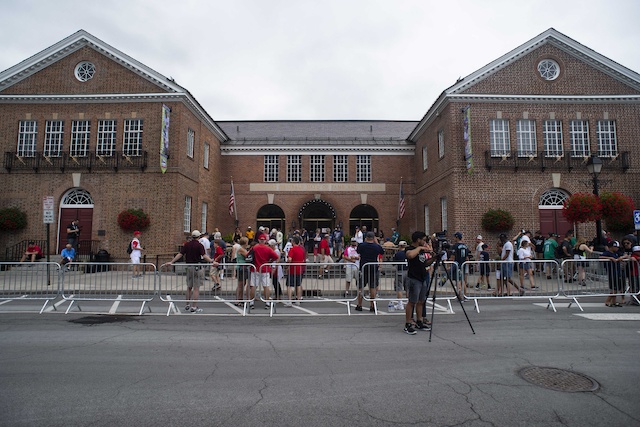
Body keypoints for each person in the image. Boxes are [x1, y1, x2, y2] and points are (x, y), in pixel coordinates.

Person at [170, 230, 216, 313]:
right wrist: (212, 261)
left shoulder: (187, 245)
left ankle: (187, 304)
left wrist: (172, 262)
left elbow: (180, 254)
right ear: (199, 237)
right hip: (197, 267)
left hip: (189, 267)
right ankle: (194, 306)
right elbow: (204, 256)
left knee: (189, 287)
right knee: (196, 288)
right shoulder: (199, 245)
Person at [403, 231, 438, 335]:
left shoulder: (422, 251)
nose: (424, 242)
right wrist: (420, 248)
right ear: (418, 240)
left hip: (423, 277)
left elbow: (424, 263)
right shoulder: (410, 249)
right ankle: (408, 323)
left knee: (421, 301)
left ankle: (420, 320)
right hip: (414, 278)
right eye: (423, 240)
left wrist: (433, 258)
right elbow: (410, 256)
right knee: (412, 301)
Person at [355, 231, 384, 312]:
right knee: (373, 287)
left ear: (366, 237)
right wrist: (376, 242)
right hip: (373, 268)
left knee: (361, 287)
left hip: (363, 267)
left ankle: (359, 304)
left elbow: (358, 251)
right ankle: (372, 305)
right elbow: (382, 251)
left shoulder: (362, 245)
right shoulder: (376, 247)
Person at [250, 233, 280, 309]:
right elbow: (276, 257)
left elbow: (248, 255)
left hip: (255, 268)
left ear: (259, 240)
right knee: (266, 286)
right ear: (265, 240)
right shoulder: (268, 249)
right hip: (265, 269)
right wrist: (270, 261)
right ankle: (267, 302)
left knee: (253, 286)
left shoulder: (254, 248)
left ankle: (251, 302)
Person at [600, 241, 627, 307]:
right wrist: (610, 258)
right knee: (614, 288)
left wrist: (622, 258)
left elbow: (625, 255)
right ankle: (607, 301)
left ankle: (614, 302)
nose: (617, 248)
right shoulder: (607, 253)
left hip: (617, 271)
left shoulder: (616, 253)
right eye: (616, 247)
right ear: (612, 247)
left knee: (617, 287)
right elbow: (601, 257)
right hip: (612, 272)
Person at [285, 236, 306, 306]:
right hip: (299, 268)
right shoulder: (301, 250)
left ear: (293, 242)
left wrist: (287, 265)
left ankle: (289, 300)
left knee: (289, 285)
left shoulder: (292, 249)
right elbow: (303, 260)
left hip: (292, 269)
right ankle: (298, 299)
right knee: (298, 285)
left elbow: (290, 259)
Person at [450, 232, 470, 298]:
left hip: (457, 264)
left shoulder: (455, 246)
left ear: (457, 237)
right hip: (463, 264)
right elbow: (467, 257)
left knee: (458, 280)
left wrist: (449, 264)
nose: (454, 238)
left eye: (454, 237)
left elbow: (452, 256)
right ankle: (465, 295)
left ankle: (459, 294)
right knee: (463, 280)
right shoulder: (465, 246)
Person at [234, 237, 250, 306]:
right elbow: (248, 255)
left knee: (242, 284)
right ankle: (238, 299)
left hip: (243, 267)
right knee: (241, 284)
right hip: (241, 267)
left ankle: (240, 299)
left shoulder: (241, 248)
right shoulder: (241, 249)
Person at [393, 241, 408, 309]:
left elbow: (393, 263)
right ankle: (408, 303)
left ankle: (400, 304)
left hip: (400, 271)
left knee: (399, 288)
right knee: (408, 288)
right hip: (408, 271)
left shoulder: (398, 254)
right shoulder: (408, 253)